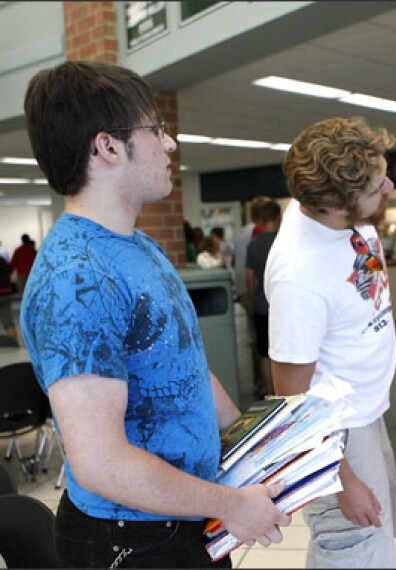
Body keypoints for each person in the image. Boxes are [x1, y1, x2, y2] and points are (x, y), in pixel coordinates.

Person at [20, 60, 289, 568]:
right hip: (131, 539)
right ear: (108, 146)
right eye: (156, 129)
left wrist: (255, 443)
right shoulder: (77, 279)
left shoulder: (139, 245)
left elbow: (182, 368)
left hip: (184, 514)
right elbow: (101, 463)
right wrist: (231, 505)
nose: (169, 145)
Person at [264, 116, 396, 568]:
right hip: (335, 431)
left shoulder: (340, 219)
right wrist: (340, 480)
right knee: (353, 551)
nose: (390, 188)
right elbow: (292, 397)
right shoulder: (299, 277)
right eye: (377, 186)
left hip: (364, 411)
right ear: (338, 204)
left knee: (375, 543)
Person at [245, 199, 282, 398]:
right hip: (283, 306)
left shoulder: (255, 244)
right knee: (283, 350)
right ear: (278, 217)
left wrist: (254, 296)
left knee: (265, 353)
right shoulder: (285, 240)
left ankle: (271, 394)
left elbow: (249, 277)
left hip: (261, 306)